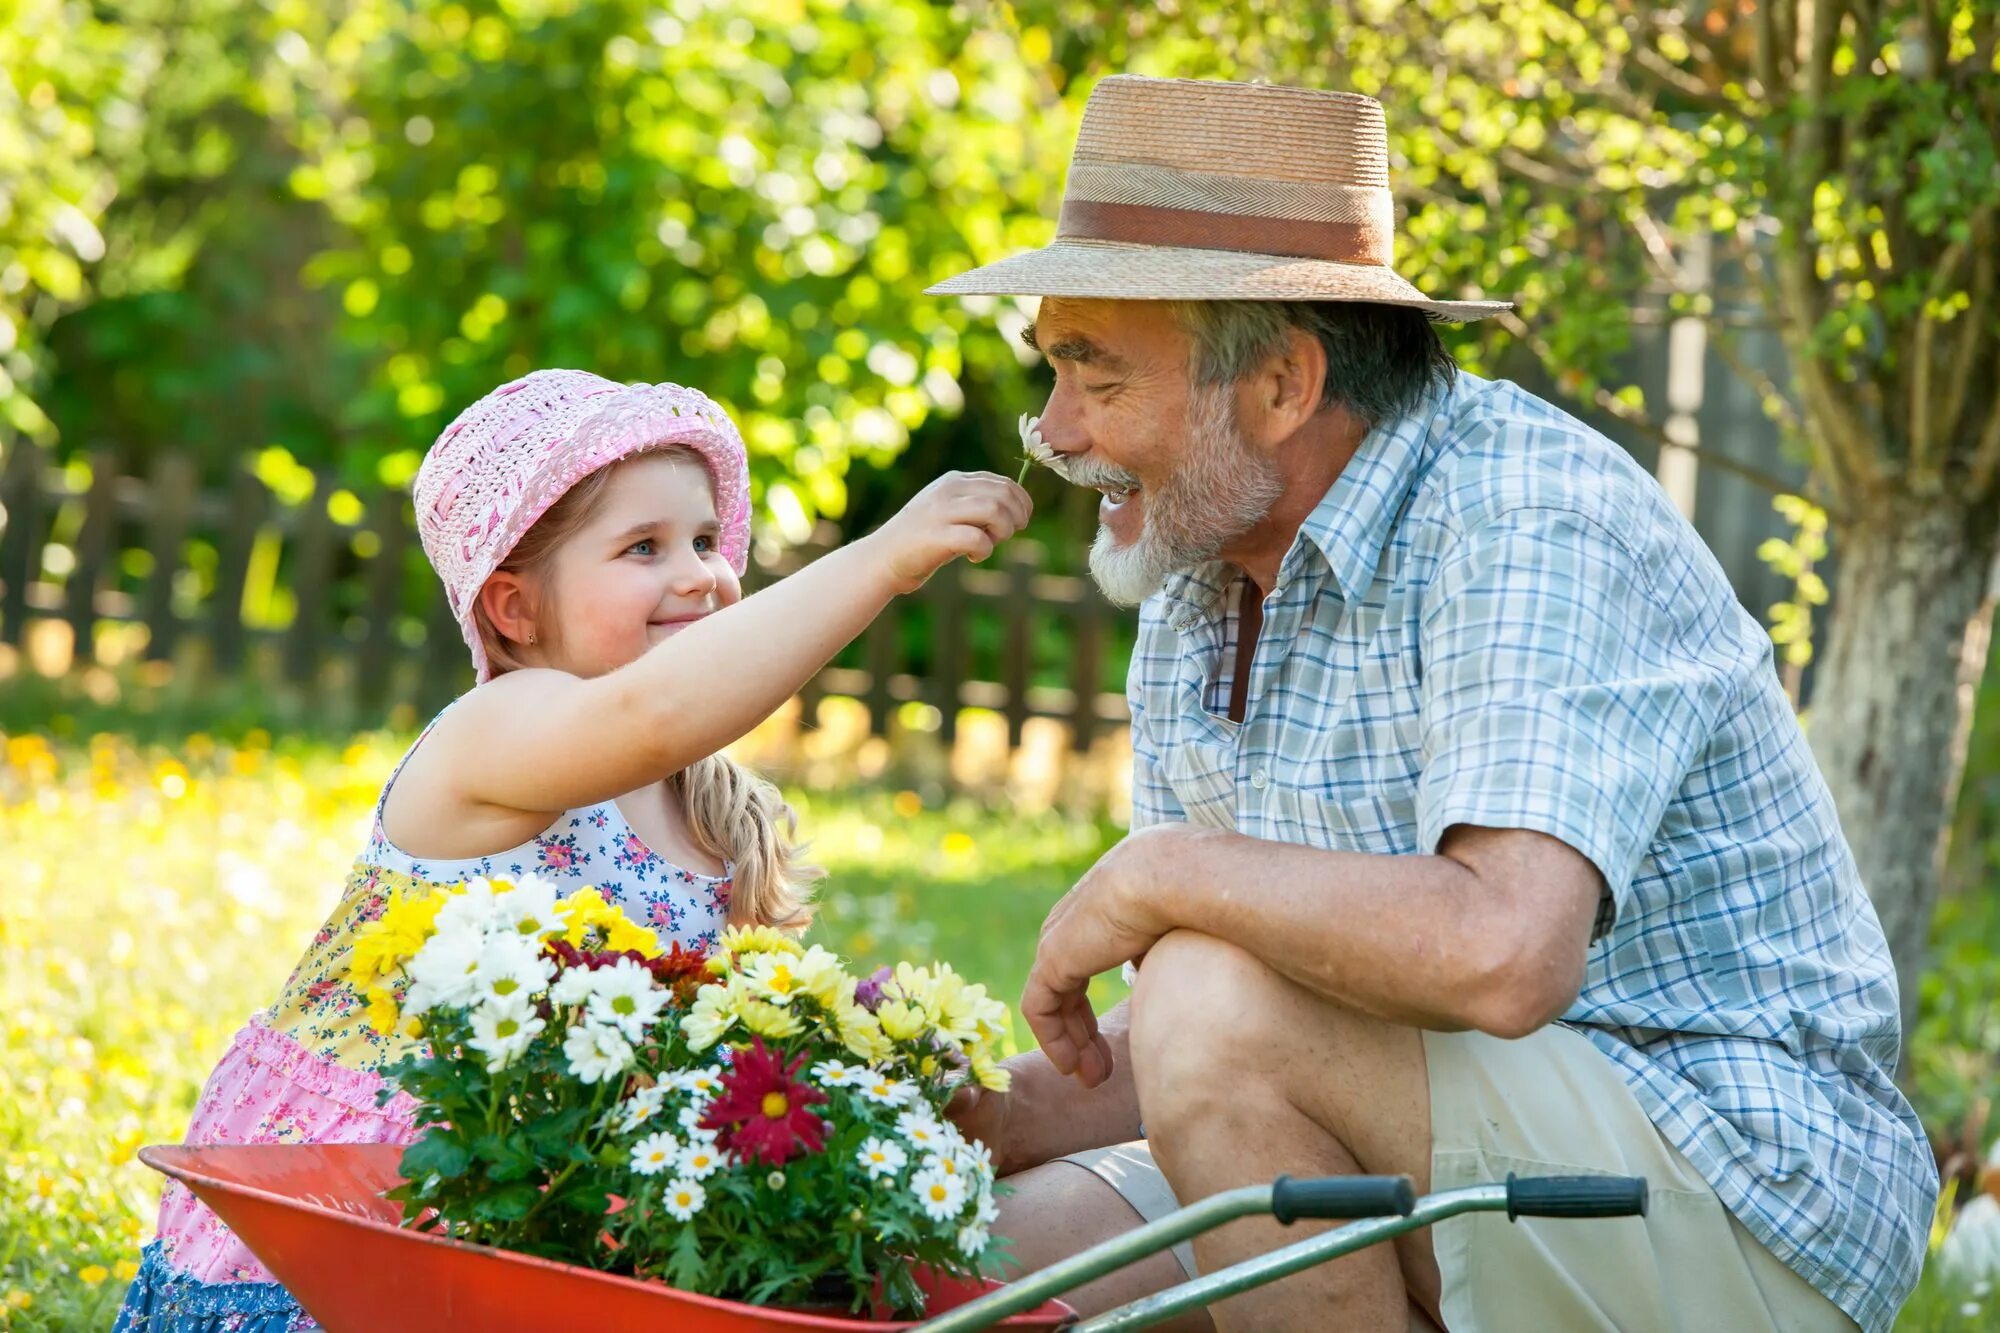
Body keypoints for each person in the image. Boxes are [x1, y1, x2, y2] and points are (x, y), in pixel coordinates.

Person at [935, 76, 1935, 1332]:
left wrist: (1160, 872)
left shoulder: (1522, 517)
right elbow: (1234, 1066)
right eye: (1054, 366)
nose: (1054, 429)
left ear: (1283, 385)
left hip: (1741, 1194)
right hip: (1471, 1143)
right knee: (944, 1257)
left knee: (1202, 985)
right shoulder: (1203, 573)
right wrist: (946, 1108)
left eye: (1097, 373)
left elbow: (1501, 952)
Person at [114, 368, 1031, 1331]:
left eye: (707, 539)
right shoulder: (496, 731)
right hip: (345, 1216)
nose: (700, 574)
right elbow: (653, 715)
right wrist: (884, 558)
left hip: (535, 1207)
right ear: (513, 609)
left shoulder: (697, 801)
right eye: (644, 546)